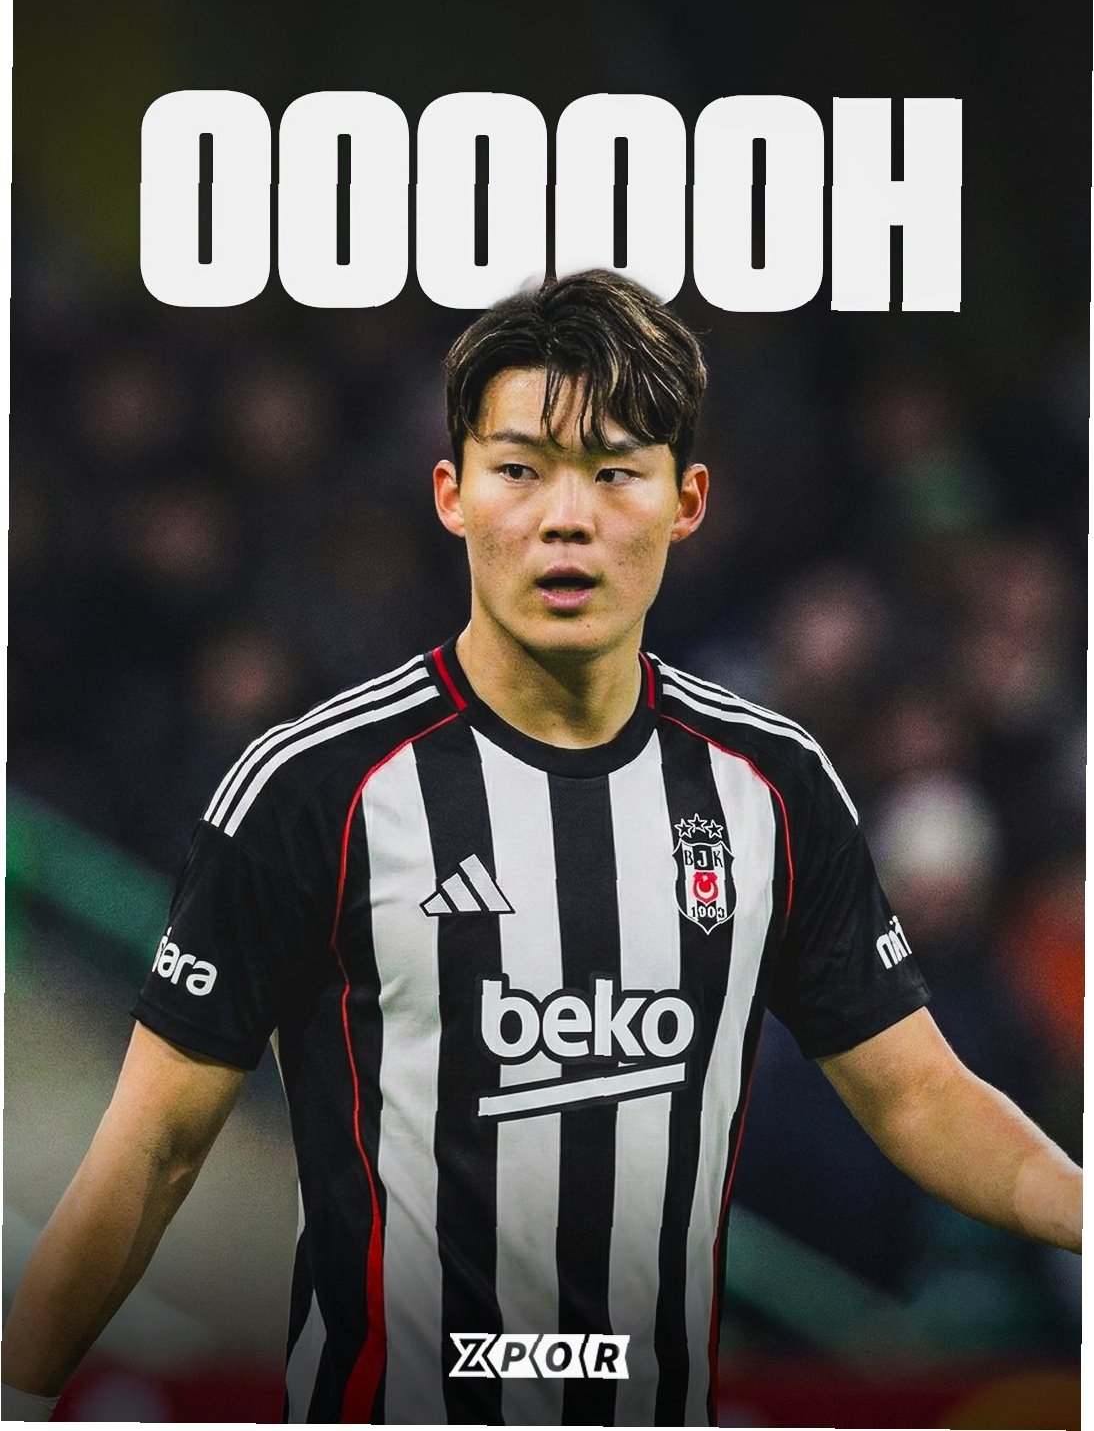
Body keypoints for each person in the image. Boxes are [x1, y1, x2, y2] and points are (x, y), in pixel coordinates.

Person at [2, 271, 1081, 1426]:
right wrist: (16, 1397)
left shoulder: (773, 787)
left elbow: (916, 1095)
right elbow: (154, 1147)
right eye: (520, 468)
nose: (566, 516)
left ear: (686, 501)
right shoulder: (311, 788)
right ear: (452, 493)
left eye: (613, 471)